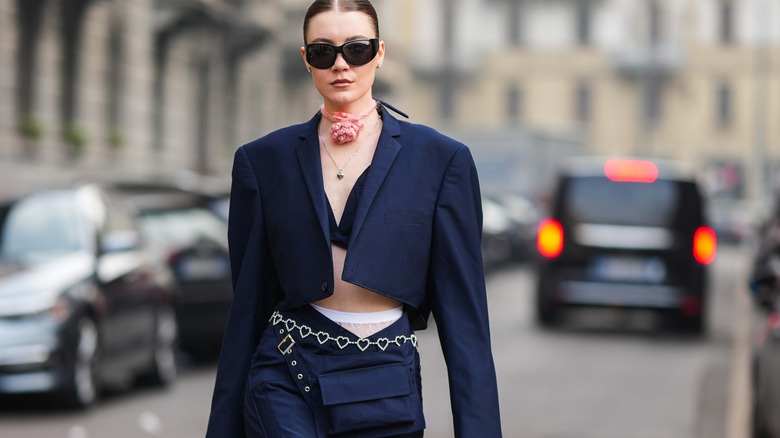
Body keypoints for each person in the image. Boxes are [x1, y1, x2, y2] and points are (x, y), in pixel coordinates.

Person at [206, 1, 502, 436]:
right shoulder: (261, 161)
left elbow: (465, 318)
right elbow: (248, 307)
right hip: (285, 368)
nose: (341, 64)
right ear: (306, 59)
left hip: (385, 377)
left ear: (380, 53)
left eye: (357, 49)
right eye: (324, 52)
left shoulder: (441, 161)